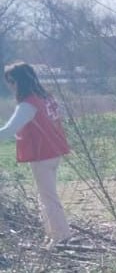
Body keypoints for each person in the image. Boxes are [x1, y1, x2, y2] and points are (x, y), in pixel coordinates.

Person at [1, 62, 72, 245]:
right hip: (54, 152)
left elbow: (9, 131)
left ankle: (61, 237)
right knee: (47, 196)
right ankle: (52, 236)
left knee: (48, 198)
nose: (10, 86)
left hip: (42, 155)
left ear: (19, 81)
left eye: (11, 81)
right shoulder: (46, 98)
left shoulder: (28, 104)